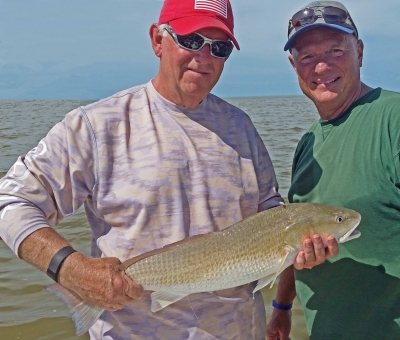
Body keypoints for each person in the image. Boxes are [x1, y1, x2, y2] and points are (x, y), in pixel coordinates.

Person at [0, 0, 337, 339]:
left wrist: (298, 248)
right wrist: (69, 269)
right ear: (158, 41)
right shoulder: (98, 126)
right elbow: (10, 202)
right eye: (191, 40)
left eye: (219, 48)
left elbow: (268, 211)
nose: (203, 57)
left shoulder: (241, 127)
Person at [266, 1, 400, 339]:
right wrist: (281, 310)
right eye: (307, 57)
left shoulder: (394, 118)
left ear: (359, 50)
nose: (321, 66)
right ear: (293, 65)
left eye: (335, 50)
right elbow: (289, 237)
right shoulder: (307, 142)